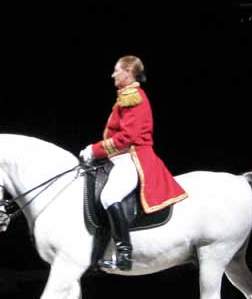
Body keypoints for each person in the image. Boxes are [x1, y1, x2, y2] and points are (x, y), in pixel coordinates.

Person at [79, 56, 187, 271]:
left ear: (128, 71)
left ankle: (124, 253)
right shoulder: (125, 96)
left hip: (133, 158)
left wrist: (94, 150)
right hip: (119, 158)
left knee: (110, 196)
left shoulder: (133, 96)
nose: (113, 75)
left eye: (116, 70)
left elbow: (125, 138)